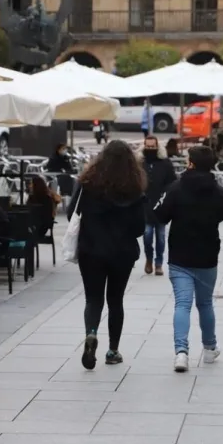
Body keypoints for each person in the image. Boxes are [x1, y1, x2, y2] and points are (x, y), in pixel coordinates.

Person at [67, 140, 146, 370]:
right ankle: (113, 350)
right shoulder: (134, 189)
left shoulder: (87, 184)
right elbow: (139, 228)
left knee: (93, 299)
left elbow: (72, 213)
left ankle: (91, 333)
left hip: (91, 250)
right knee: (115, 300)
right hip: (122, 252)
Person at [154, 145, 223, 372]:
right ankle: (210, 348)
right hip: (207, 255)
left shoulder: (176, 188)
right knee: (205, 303)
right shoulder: (218, 191)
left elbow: (160, 214)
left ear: (191, 163)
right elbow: (221, 215)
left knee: (182, 304)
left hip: (180, 255)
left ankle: (181, 353)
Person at [139, 137, 176, 276]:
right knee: (147, 236)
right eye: (148, 146)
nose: (150, 149)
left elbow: (172, 182)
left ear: (157, 146)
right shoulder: (140, 163)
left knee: (160, 237)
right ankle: (149, 259)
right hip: (145, 205)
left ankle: (158, 263)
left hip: (161, 205)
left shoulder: (165, 163)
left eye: (152, 146)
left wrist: (166, 197)